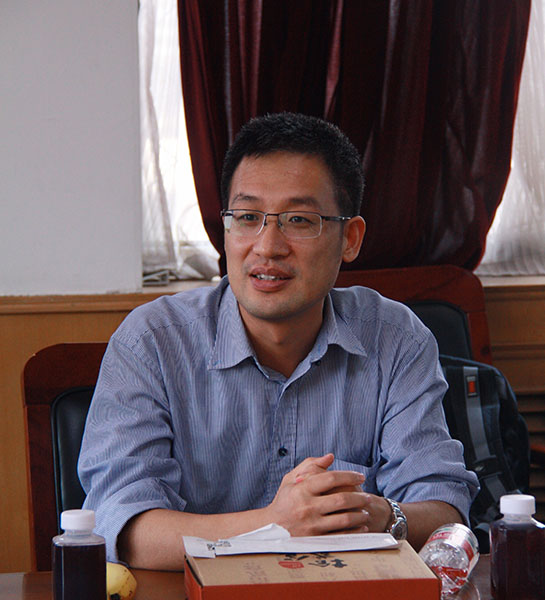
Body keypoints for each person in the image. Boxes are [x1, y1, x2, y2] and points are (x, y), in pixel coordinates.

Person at [79, 112, 479, 570]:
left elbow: (446, 509)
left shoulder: (396, 339)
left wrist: (382, 515)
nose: (267, 246)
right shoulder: (151, 342)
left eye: (299, 220)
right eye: (248, 217)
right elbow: (122, 527)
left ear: (350, 238)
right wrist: (275, 526)